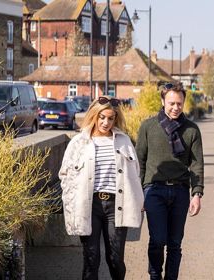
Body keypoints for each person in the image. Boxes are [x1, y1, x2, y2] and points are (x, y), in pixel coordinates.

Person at [59, 96, 144, 280]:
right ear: (94, 116)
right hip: (90, 206)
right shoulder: (79, 143)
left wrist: (139, 201)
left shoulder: (124, 141)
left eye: (111, 118)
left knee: (115, 259)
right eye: (102, 117)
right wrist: (70, 202)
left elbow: (135, 174)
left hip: (116, 206)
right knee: (91, 258)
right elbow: (65, 175)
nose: (106, 122)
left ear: (115, 119)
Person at [136, 82, 204, 280]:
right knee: (157, 240)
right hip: (153, 190)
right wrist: (139, 193)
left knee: (175, 243)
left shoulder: (191, 130)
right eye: (171, 103)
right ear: (162, 101)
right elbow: (139, 161)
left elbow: (197, 164)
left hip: (180, 192)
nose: (176, 108)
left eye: (179, 104)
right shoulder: (148, 127)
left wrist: (197, 194)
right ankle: (155, 275)